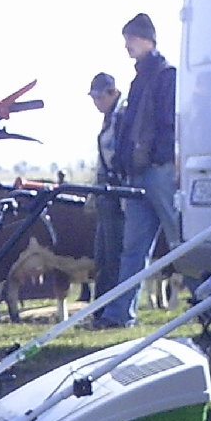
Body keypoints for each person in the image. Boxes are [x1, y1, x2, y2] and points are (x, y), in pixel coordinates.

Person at [95, 14, 179, 328]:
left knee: (180, 242)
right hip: (141, 173)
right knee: (134, 248)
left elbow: (168, 122)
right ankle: (119, 315)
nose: (127, 45)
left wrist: (159, 157)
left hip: (158, 171)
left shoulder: (166, 75)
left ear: (146, 39)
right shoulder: (141, 78)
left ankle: (205, 299)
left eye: (130, 38)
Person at [87, 72, 126, 311]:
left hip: (117, 191)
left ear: (114, 93)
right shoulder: (110, 118)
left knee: (113, 254)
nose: (97, 102)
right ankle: (100, 307)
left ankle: (111, 307)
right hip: (105, 191)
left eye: (101, 97)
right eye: (94, 97)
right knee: (101, 255)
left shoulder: (123, 116)